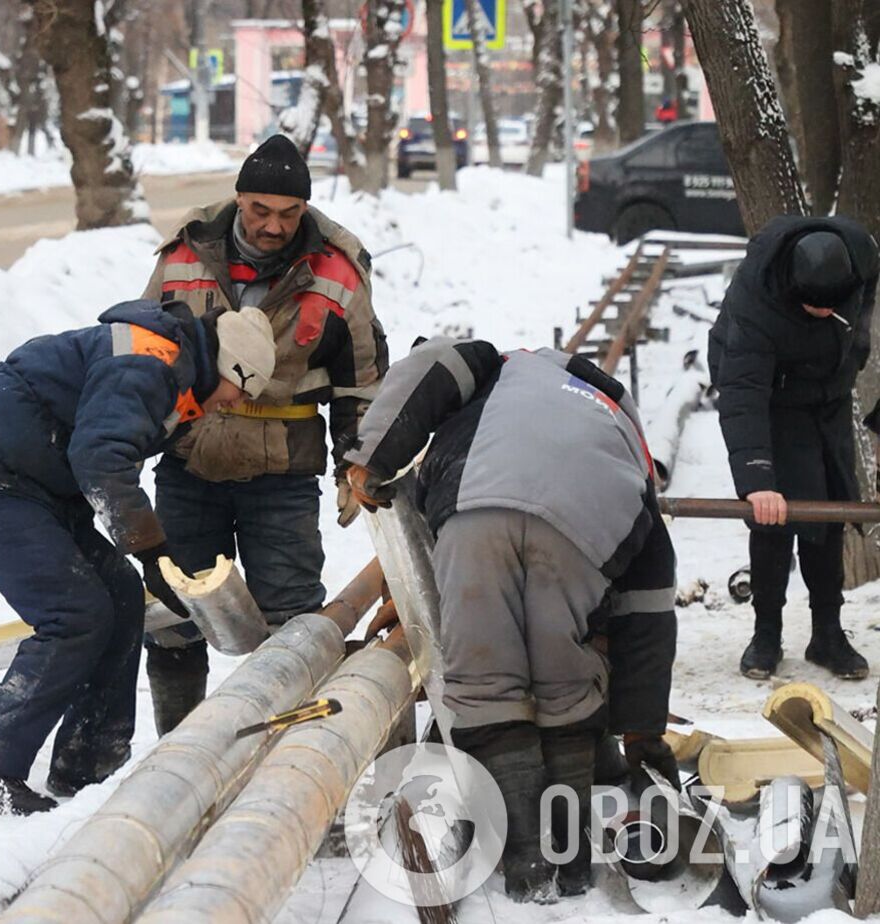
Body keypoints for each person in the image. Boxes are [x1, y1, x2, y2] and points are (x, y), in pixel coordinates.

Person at [343, 339, 678, 902]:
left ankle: (525, 862)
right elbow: (649, 597)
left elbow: (433, 366)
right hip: (589, 519)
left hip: (479, 504)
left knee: (487, 681)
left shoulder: (497, 365)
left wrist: (369, 459)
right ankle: (571, 863)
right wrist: (642, 729)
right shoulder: (621, 422)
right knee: (566, 682)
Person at [0, 299, 277, 814]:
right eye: (239, 393)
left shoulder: (175, 372)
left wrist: (148, 558)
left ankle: (89, 762)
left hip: (30, 480)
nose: (234, 405)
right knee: (75, 613)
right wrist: (152, 549)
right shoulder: (151, 364)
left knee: (122, 594)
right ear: (227, 366)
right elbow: (100, 458)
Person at [138, 133, 387, 735]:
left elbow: (360, 385)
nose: (273, 226)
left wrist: (355, 465)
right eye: (260, 210)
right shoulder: (183, 258)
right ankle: (179, 748)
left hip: (282, 475)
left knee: (292, 621)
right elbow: (141, 354)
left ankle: (283, 753)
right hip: (190, 463)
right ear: (239, 199)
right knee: (175, 616)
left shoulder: (337, 272)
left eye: (289, 213)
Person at [712, 217, 880, 680]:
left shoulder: (861, 259)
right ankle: (766, 631)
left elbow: (865, 325)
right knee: (775, 512)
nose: (825, 313)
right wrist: (757, 481)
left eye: (832, 307)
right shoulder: (756, 300)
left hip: (826, 391)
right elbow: (742, 391)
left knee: (827, 505)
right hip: (767, 392)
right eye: (814, 307)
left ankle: (828, 631)